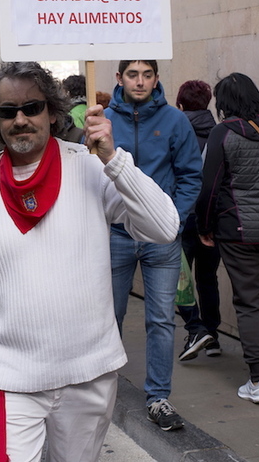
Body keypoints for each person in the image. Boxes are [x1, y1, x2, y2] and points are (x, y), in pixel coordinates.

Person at [0, 61, 179, 462]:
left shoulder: (91, 167)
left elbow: (164, 226)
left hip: (89, 375)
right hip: (6, 378)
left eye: (32, 107)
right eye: (7, 111)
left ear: (53, 112)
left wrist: (114, 160)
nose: (20, 119)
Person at [105, 60, 203, 431]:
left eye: (147, 75)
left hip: (161, 240)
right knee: (109, 316)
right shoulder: (106, 121)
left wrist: (172, 219)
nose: (141, 81)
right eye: (133, 74)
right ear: (120, 78)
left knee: (161, 319)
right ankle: (104, 388)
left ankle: (158, 397)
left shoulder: (175, 122)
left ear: (157, 79)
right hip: (117, 235)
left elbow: (191, 175)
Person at [195, 72, 259, 404]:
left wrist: (205, 226)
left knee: (249, 301)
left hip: (241, 232)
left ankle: (257, 382)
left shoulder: (222, 133)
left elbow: (209, 188)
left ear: (224, 103)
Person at [174, 80, 223, 360]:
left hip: (183, 216)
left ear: (180, 104)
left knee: (178, 279)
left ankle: (195, 328)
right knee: (207, 278)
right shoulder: (218, 132)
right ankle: (212, 335)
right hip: (210, 219)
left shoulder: (177, 131)